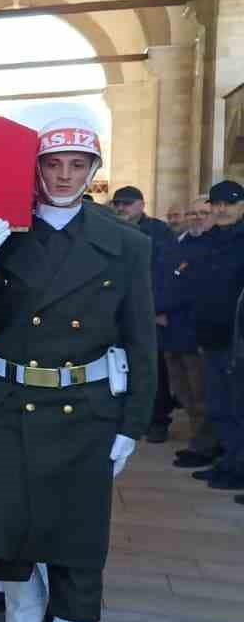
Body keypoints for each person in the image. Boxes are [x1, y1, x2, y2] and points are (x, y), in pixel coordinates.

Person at [0, 120, 156, 622]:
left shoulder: (125, 245)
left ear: (95, 170)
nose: (64, 175)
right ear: (35, 167)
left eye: (77, 164)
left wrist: (131, 425)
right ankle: (21, 602)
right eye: (53, 163)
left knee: (77, 545)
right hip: (8, 404)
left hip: (86, 410)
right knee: (7, 528)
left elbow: (140, 340)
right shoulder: (3, 232)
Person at [190, 180, 244, 490]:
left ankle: (238, 468)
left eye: (230, 203)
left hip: (235, 339)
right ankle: (227, 462)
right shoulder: (210, 240)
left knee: (238, 409)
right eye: (218, 203)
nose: (222, 209)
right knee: (219, 406)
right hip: (209, 335)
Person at [113, 185, 177, 442]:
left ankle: (157, 421)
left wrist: (155, 308)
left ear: (141, 205)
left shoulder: (159, 232)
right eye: (117, 203)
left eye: (127, 203)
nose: (121, 208)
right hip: (116, 308)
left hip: (146, 308)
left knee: (151, 368)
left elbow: (166, 274)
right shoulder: (110, 227)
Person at [164, 197, 217, 467]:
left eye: (203, 213)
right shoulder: (180, 242)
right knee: (181, 389)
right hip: (172, 327)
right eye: (192, 213)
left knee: (201, 393)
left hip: (197, 330)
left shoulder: (216, 246)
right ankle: (197, 440)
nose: (197, 217)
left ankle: (204, 445)